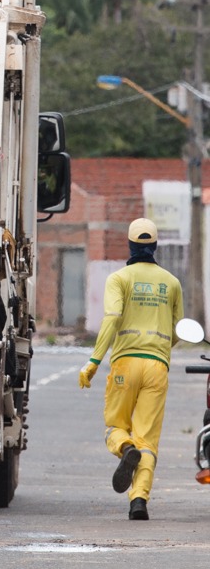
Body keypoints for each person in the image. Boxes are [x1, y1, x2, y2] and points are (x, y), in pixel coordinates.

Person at [79, 218, 184, 521]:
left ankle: (125, 448)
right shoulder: (172, 282)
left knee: (116, 426)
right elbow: (178, 331)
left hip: (125, 363)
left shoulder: (119, 278)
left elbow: (112, 318)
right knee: (148, 439)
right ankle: (139, 499)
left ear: (130, 244)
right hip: (157, 367)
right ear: (155, 246)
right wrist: (160, 348)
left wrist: (94, 362)